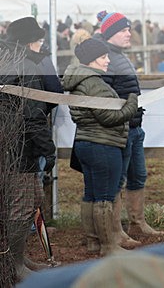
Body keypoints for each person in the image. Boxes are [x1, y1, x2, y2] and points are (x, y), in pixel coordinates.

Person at [63, 38, 140, 255]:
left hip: (85, 143)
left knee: (91, 194)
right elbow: (109, 117)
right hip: (103, 145)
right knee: (105, 197)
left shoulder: (80, 80)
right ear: (92, 60)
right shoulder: (94, 84)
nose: (108, 61)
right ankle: (109, 247)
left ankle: (93, 242)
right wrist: (131, 104)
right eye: (103, 57)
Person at [96, 10, 164, 244]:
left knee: (139, 175)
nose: (129, 34)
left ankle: (138, 221)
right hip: (121, 129)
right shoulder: (105, 59)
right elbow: (105, 97)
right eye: (124, 30)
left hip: (135, 127)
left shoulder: (120, 56)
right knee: (119, 179)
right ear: (112, 33)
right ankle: (117, 230)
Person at [0, 16, 57, 282]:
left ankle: (20, 258)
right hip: (20, 151)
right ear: (28, 42)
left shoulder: (7, 61)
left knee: (27, 202)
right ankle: (14, 266)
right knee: (21, 208)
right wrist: (48, 149)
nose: (40, 46)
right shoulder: (25, 67)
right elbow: (33, 115)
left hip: (10, 149)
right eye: (38, 40)